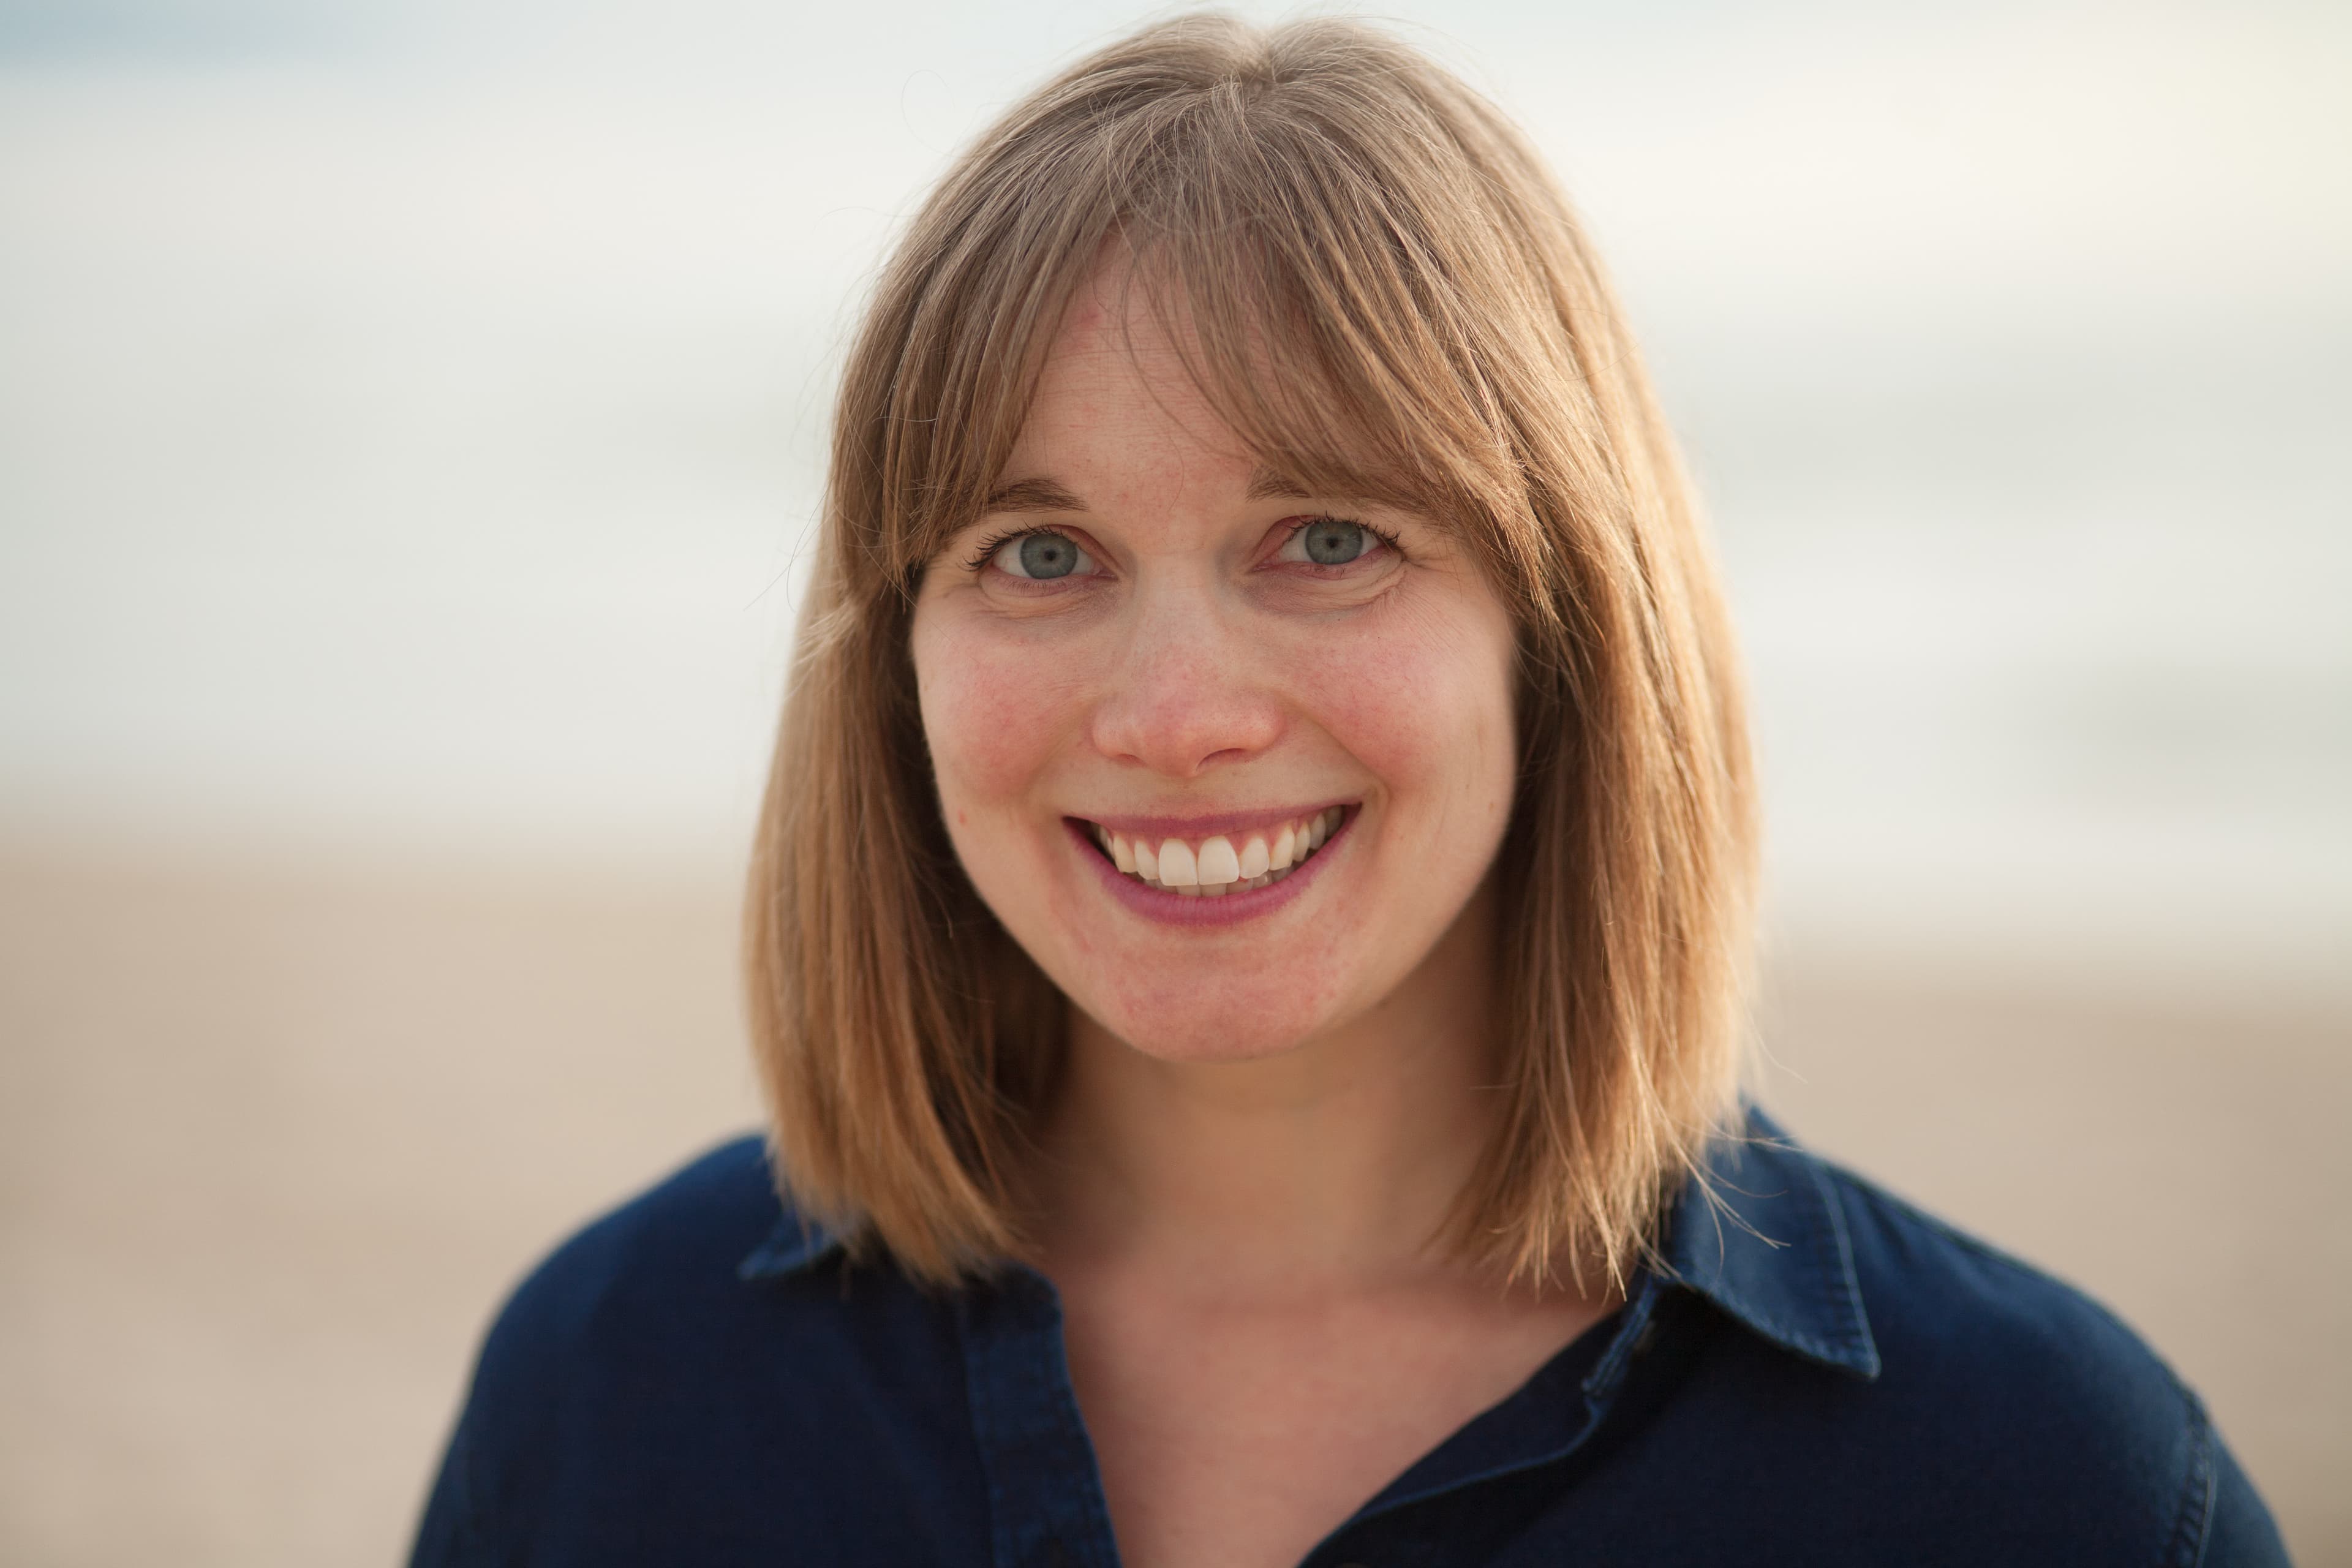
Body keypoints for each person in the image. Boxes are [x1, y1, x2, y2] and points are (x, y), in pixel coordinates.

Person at [409, 14, 2288, 1566]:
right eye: (1039, 554)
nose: (1176, 715)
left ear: (1567, 626)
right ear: (897, 654)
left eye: (1327, 537)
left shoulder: (2054, 1490)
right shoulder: (611, 1386)